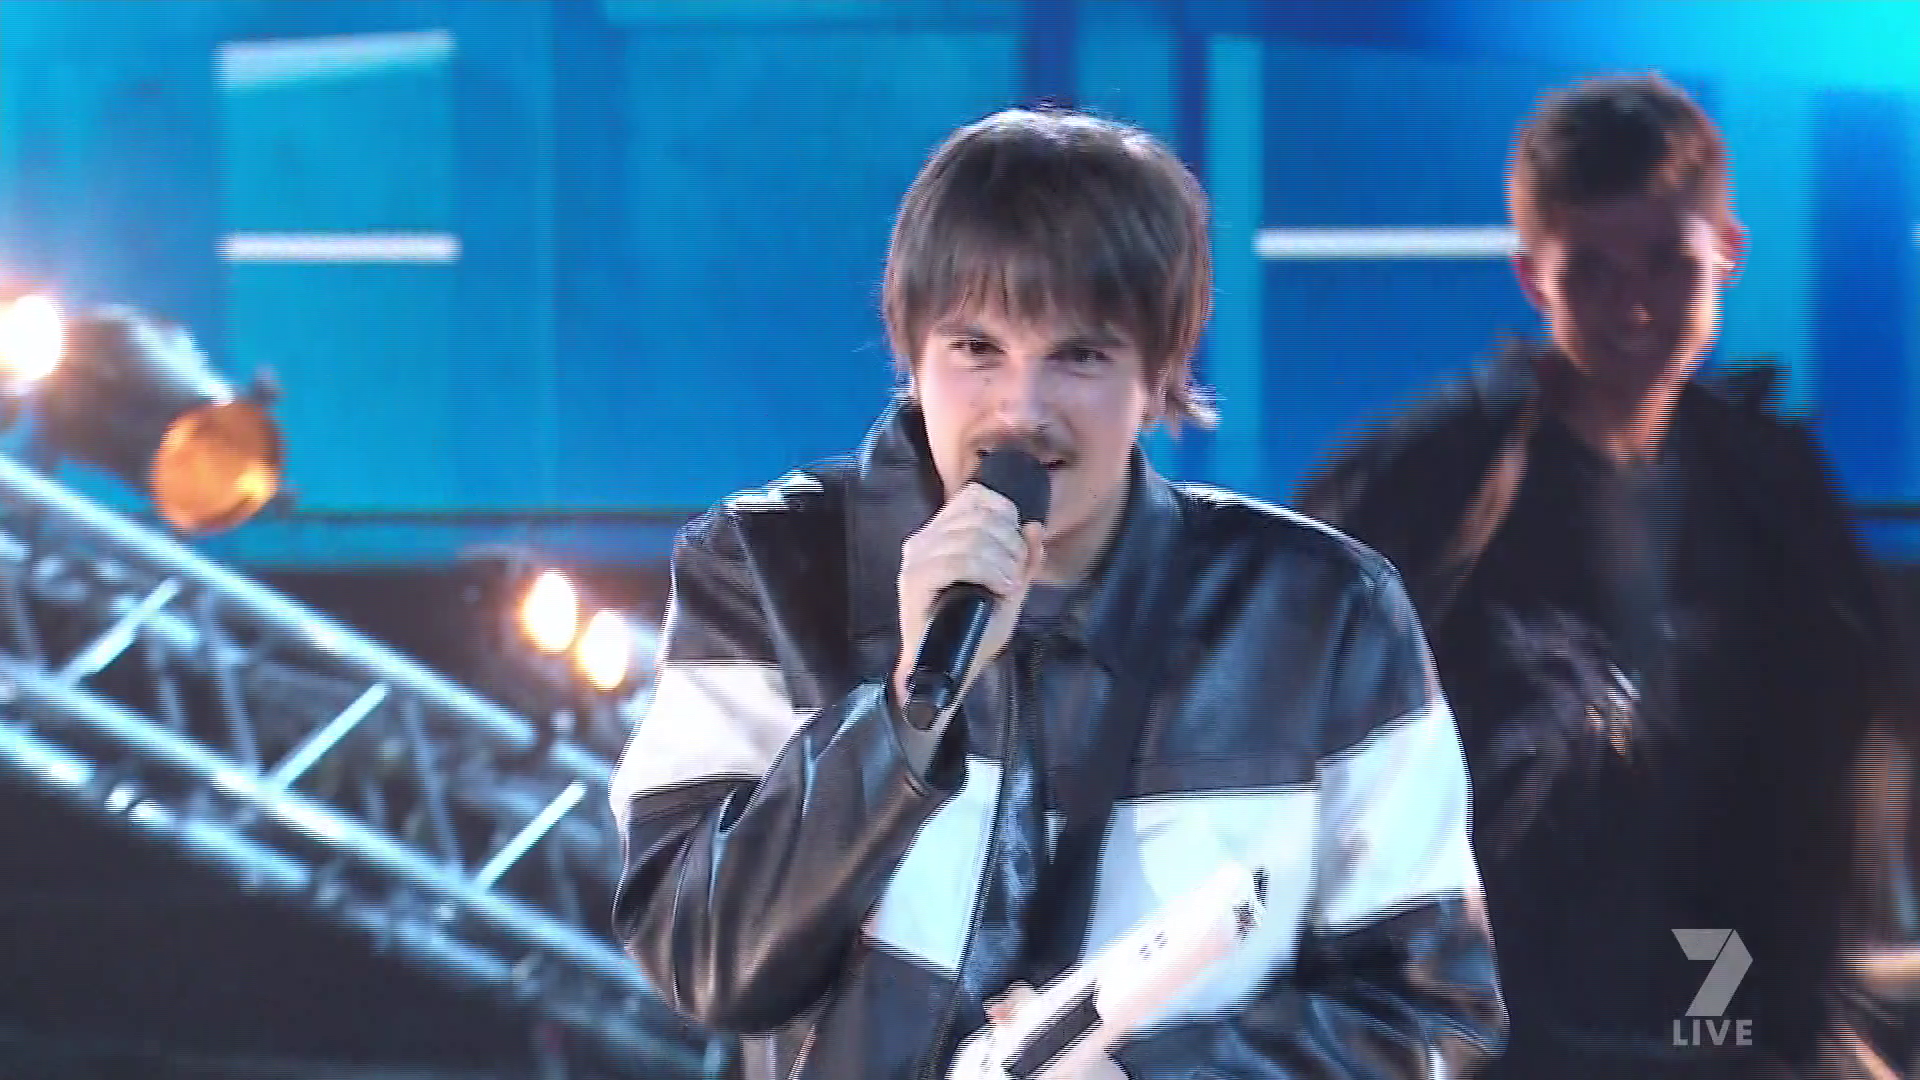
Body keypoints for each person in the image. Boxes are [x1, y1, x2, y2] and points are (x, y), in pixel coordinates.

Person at [611, 107, 1504, 1080]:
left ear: (1159, 372)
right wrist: (904, 718)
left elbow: (1433, 1015)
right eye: (976, 349)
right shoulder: (767, 568)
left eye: (1079, 355)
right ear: (913, 354)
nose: (1022, 410)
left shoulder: (1323, 615)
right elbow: (703, 962)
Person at [1296, 73, 1915, 1078]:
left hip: (1717, 971)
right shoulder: (1428, 482)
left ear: (1728, 253)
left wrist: (1805, 1017)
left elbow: (1839, 737)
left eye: (1669, 263)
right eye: (1590, 269)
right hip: (1498, 1008)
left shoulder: (1773, 483)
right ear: (1533, 278)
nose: (1633, 305)